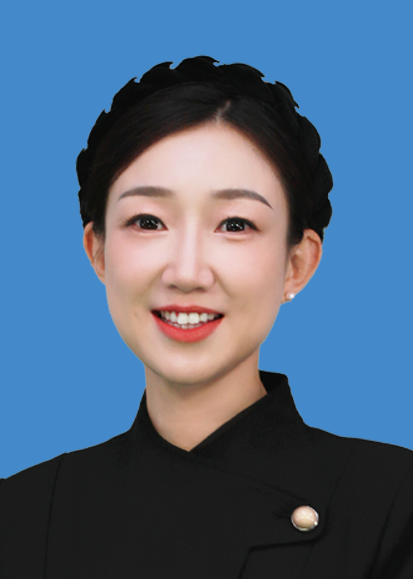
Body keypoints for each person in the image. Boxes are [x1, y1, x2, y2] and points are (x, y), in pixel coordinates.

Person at [1, 55, 412, 578]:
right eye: (148, 221)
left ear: (297, 263)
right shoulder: (24, 514)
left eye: (235, 224)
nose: (187, 272)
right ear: (97, 251)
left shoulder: (392, 506)